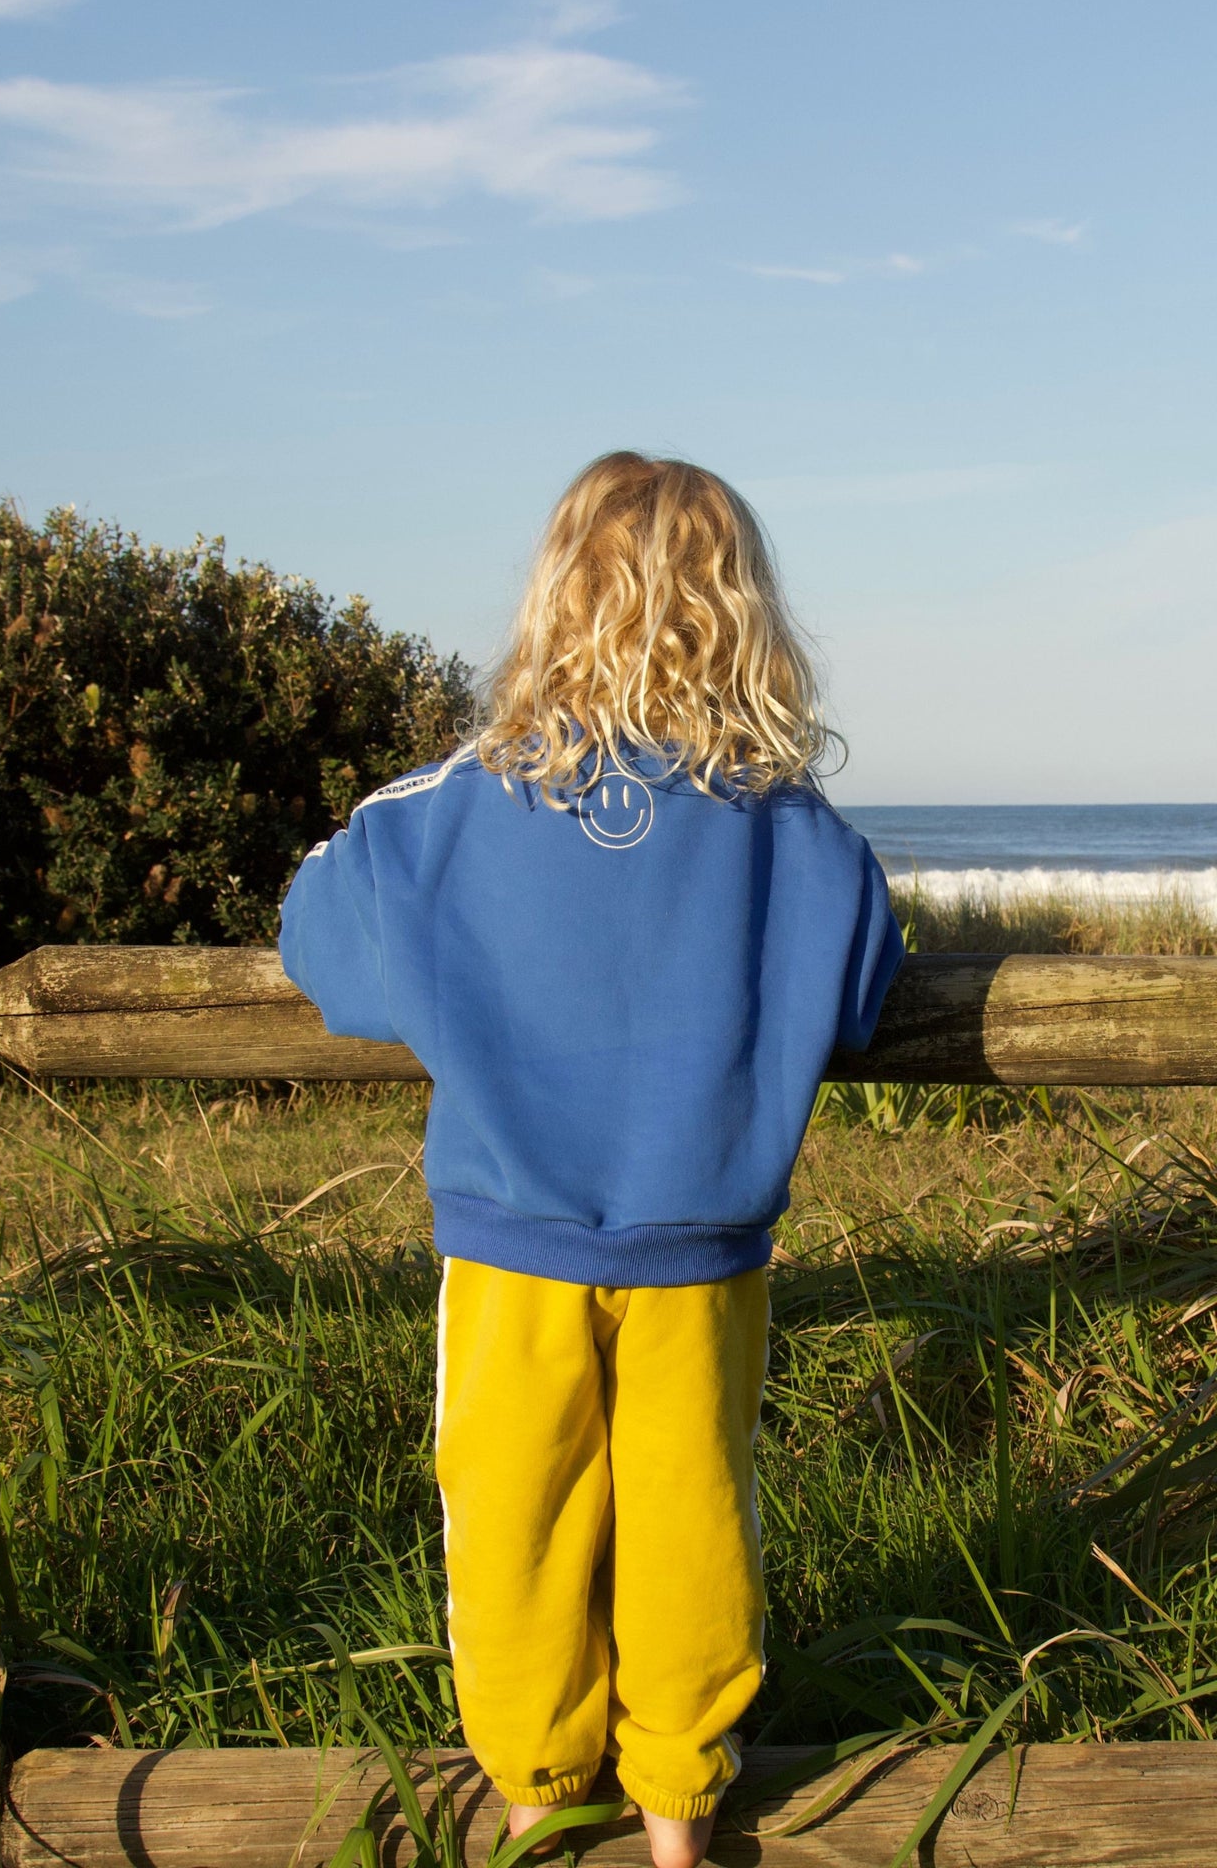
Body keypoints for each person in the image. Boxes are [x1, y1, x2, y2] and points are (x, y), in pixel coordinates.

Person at [277, 452, 905, 1868]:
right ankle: (682, 1813)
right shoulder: (795, 831)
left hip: (512, 1238)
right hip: (703, 1245)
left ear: (555, 601)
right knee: (695, 1518)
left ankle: (539, 1803)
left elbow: (320, 937)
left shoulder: (450, 809)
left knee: (514, 1519)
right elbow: (866, 976)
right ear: (745, 616)